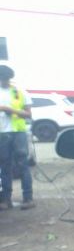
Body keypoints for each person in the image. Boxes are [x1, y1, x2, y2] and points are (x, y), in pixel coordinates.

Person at [0, 63, 34, 210]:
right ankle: (6, 199)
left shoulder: (20, 93)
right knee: (4, 166)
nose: (4, 82)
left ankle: (28, 198)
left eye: (6, 79)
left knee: (22, 165)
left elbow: (28, 114)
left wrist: (10, 110)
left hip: (18, 133)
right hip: (2, 133)